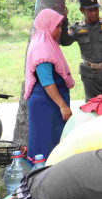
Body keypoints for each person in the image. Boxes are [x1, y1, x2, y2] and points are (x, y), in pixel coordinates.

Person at [24, 9, 75, 162]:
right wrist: (62, 105)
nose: (60, 30)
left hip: (50, 103)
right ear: (47, 26)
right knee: (45, 147)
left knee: (54, 143)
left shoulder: (46, 42)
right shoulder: (42, 48)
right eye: (57, 27)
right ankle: (41, 180)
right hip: (45, 105)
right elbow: (47, 82)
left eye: (61, 26)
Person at [60, 0, 102, 101]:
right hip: (90, 76)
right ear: (82, 10)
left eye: (96, 9)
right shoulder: (76, 28)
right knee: (92, 106)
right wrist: (64, 20)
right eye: (90, 10)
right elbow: (64, 42)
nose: (94, 13)